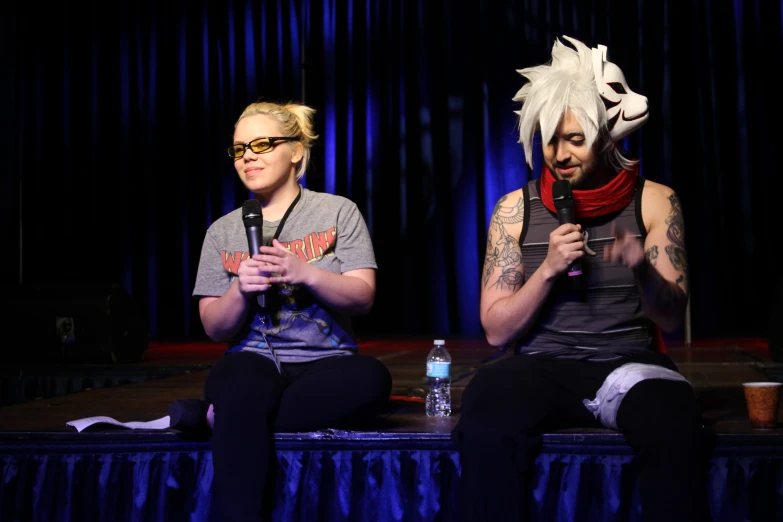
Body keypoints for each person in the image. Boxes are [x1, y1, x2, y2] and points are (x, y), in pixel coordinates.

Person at [452, 36, 712, 522]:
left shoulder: (656, 201)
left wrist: (642, 268)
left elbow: (671, 318)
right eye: (551, 138)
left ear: (608, 137)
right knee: (487, 404)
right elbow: (496, 330)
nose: (560, 154)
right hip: (541, 367)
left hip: (629, 366)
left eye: (576, 139)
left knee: (674, 420)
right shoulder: (513, 209)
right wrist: (547, 270)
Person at [172, 100, 392, 522]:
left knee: (372, 379)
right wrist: (240, 288)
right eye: (239, 149)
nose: (247, 156)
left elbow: (362, 297)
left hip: (326, 364)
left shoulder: (337, 211)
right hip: (252, 362)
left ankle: (226, 418)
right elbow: (214, 327)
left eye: (261, 144)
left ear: (295, 151)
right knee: (240, 382)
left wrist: (305, 272)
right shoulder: (222, 230)